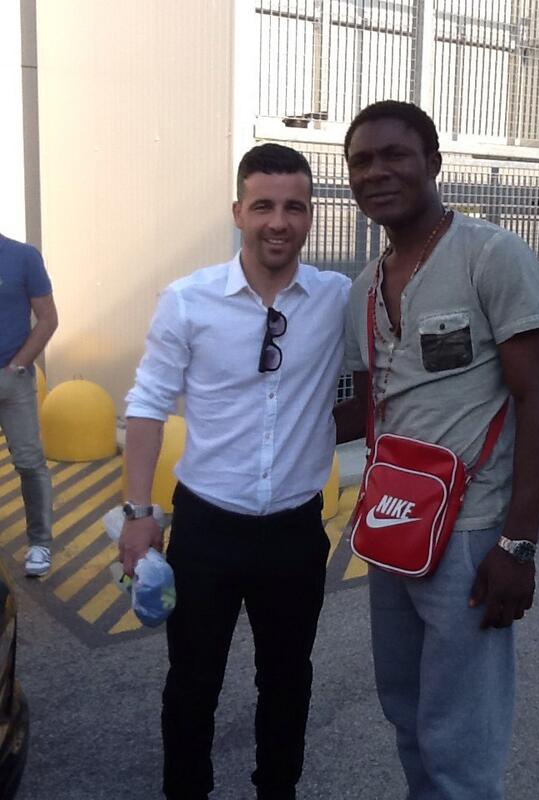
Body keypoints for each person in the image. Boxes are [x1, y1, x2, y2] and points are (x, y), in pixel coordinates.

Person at [334, 101, 539, 800]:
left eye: (394, 155)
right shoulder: (363, 290)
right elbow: (371, 409)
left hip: (472, 533)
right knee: (406, 711)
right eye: (361, 161)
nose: (377, 172)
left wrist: (518, 543)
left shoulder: (491, 256)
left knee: (461, 736)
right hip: (394, 527)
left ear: (432, 163)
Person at [120, 143, 350, 800]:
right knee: (192, 683)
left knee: (287, 679)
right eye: (263, 206)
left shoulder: (337, 298)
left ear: (310, 215)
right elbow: (147, 404)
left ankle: (277, 790)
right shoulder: (188, 300)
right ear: (237, 212)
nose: (278, 221)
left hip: (295, 531)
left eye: (294, 207)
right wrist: (138, 514)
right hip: (206, 529)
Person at [0, 234, 58, 577]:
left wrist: (18, 366)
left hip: (13, 381)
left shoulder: (22, 257)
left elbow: (48, 318)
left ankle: (40, 542)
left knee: (30, 464)